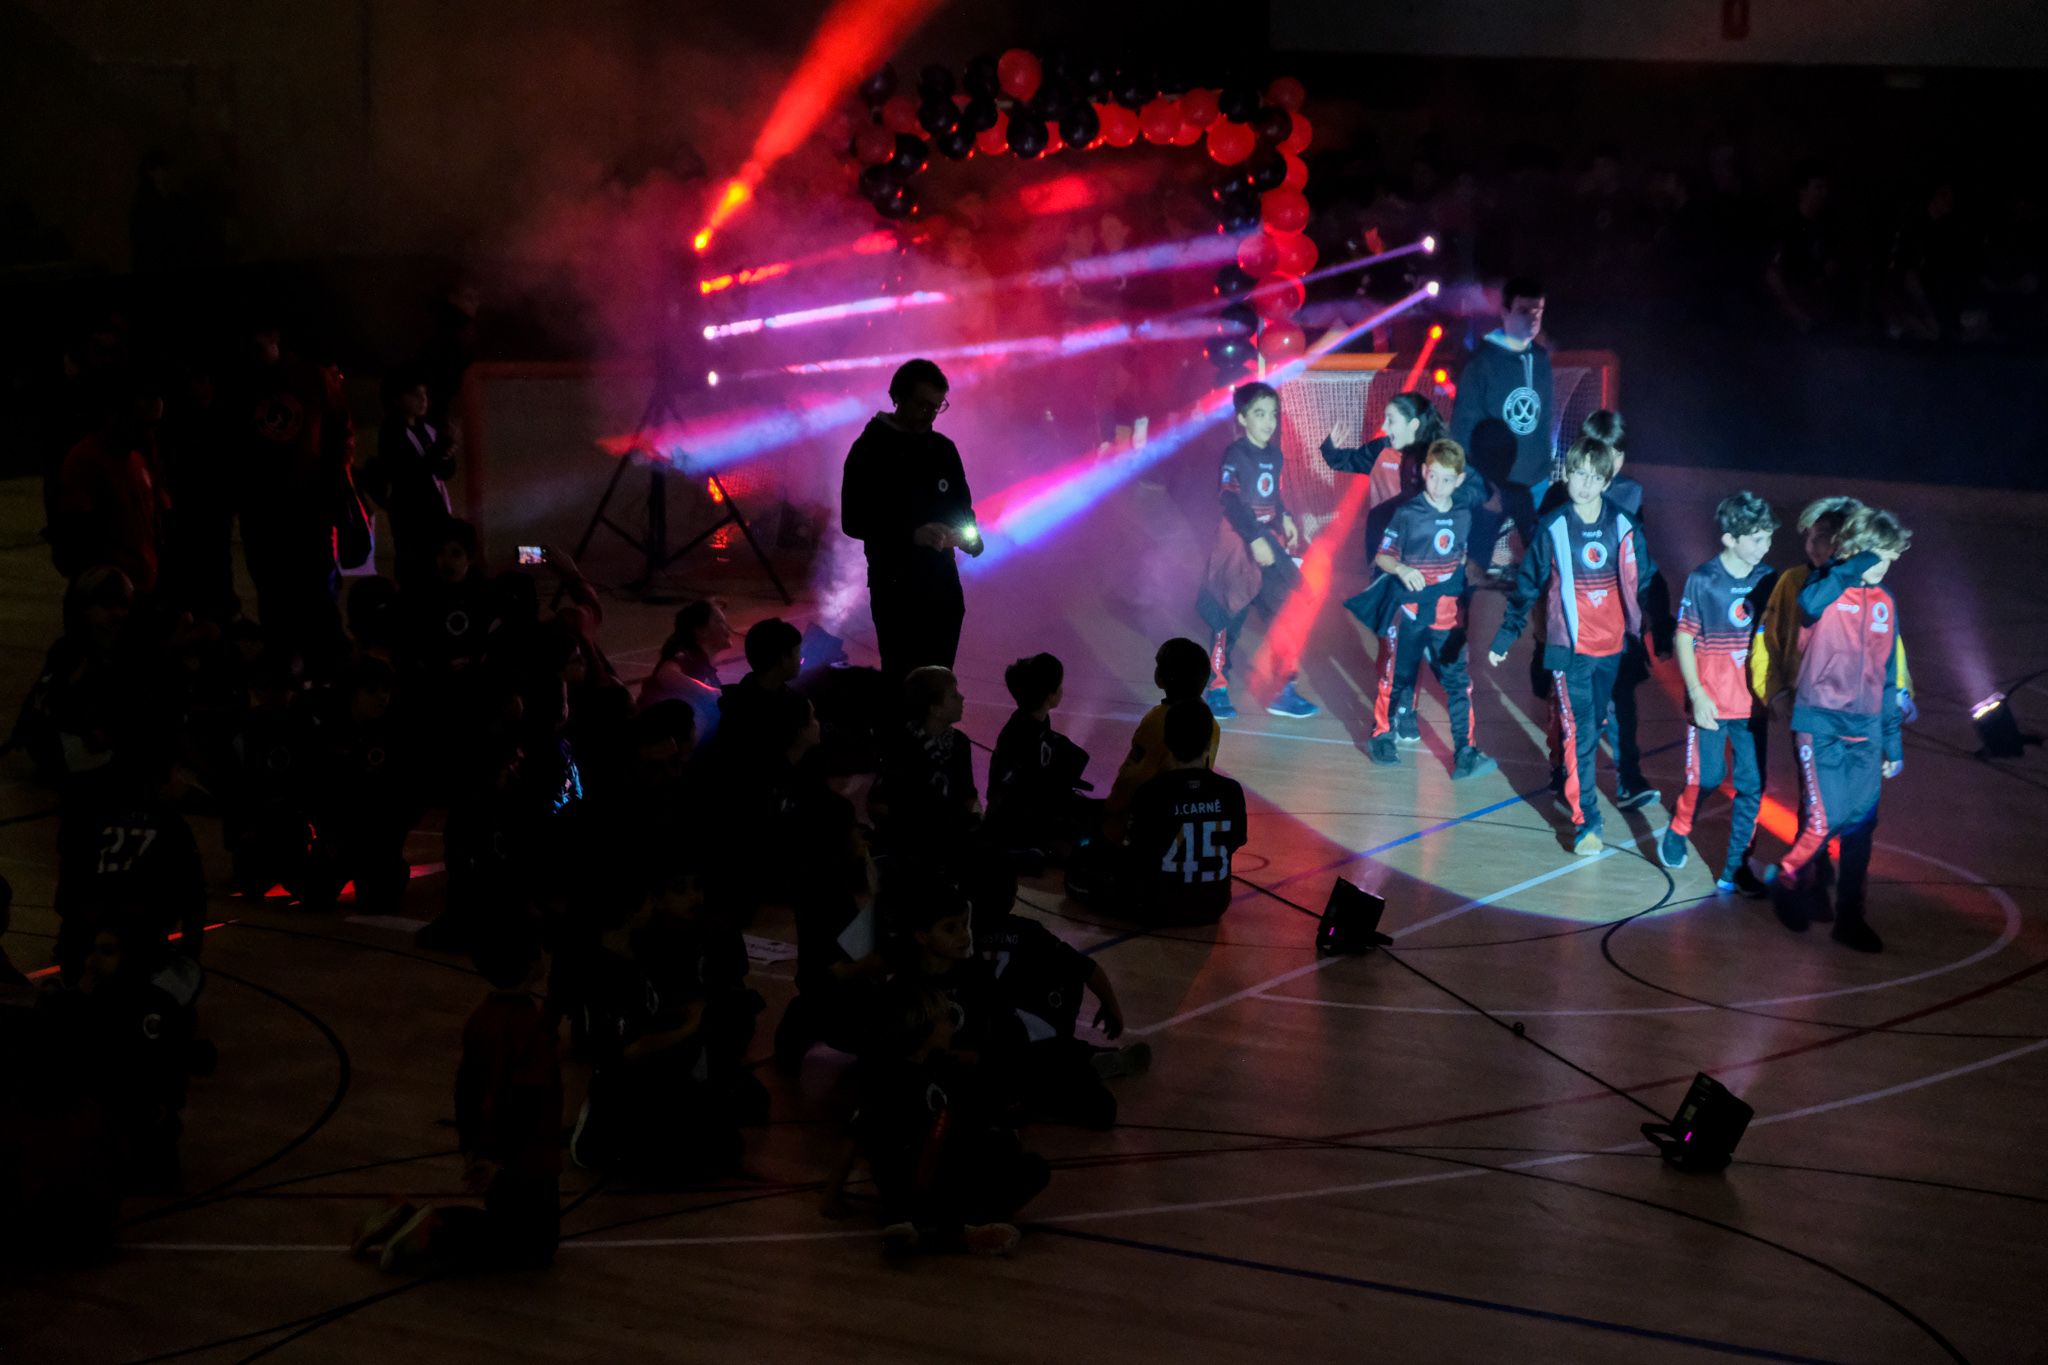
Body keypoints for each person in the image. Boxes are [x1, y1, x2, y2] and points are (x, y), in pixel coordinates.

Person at [1488, 436, 1658, 856]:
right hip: (1570, 651)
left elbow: (1647, 582)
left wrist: (1658, 631)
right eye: (1578, 473)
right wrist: (1506, 635)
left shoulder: (1624, 525)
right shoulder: (1553, 526)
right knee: (1582, 733)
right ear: (1568, 475)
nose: (1584, 483)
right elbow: (1527, 584)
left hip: (1613, 649)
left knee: (1593, 724)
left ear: (1606, 479)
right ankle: (1588, 825)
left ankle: (1564, 774)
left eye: (1593, 476)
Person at [358, 930, 563, 1272]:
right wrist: (499, 1157)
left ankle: (405, 1219)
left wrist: (471, 1146)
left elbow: (465, 1086)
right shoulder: (531, 1028)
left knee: (507, 1219)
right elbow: (527, 1099)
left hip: (491, 1143)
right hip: (526, 1153)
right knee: (534, 1246)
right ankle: (433, 1229)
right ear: (533, 965)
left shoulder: (482, 1016)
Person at [1769, 508, 1910, 952]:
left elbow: (1888, 677)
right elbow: (1808, 608)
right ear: (1855, 551)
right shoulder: (1823, 588)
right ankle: (1787, 879)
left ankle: (1850, 916)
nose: (1884, 567)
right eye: (1879, 556)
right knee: (1825, 818)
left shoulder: (1886, 603)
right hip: (1821, 723)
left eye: (1890, 559)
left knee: (1861, 825)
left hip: (1866, 728)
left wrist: (1892, 740)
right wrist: (1852, 565)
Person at [1354, 439, 1495, 778]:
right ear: (1423, 472)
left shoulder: (1463, 513)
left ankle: (1465, 752)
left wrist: (1468, 569)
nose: (1439, 485)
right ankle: (1382, 736)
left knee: (1459, 684)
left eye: (1448, 479)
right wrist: (1402, 569)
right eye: (1433, 476)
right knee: (1396, 678)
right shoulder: (1407, 513)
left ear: (1460, 481)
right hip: (1409, 613)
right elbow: (1384, 556)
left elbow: (1459, 554)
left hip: (1445, 616)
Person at [1658, 492, 1777, 895]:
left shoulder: (1769, 579)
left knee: (1752, 787)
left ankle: (1735, 868)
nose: (1765, 548)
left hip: (1753, 708)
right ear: (1729, 538)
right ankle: (1679, 826)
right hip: (1711, 703)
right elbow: (1685, 638)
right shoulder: (1704, 580)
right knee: (1707, 776)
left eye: (1767, 538)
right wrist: (1697, 692)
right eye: (1757, 540)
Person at [840, 359, 984, 677]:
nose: (929, 414)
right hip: (896, 588)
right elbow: (853, 519)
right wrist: (912, 534)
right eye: (921, 405)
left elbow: (963, 508)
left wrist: (968, 537)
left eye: (937, 406)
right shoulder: (870, 449)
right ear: (898, 397)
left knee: (938, 681)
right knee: (903, 680)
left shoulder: (943, 450)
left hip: (943, 589)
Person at [1195, 381, 1317, 720]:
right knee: (1227, 613)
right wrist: (1254, 539)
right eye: (1259, 414)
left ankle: (1285, 689)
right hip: (1238, 542)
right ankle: (1216, 686)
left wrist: (1286, 516)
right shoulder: (1235, 454)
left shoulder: (1274, 455)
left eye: (1273, 415)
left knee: (1287, 607)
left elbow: (1273, 497)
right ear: (1243, 419)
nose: (1268, 422)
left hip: (1266, 539)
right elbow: (1230, 499)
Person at [1452, 277, 1554, 575]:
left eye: (1539, 311)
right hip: (1493, 485)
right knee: (1477, 563)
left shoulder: (1541, 360)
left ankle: (1535, 619)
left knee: (1536, 565)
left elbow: (1544, 418)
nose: (1534, 318)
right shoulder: (1480, 364)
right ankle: (1463, 617)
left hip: (1535, 481)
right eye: (1525, 310)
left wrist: (1545, 469)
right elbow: (1463, 431)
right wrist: (1482, 484)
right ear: (1505, 312)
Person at [1120, 699, 1249, 925]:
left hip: (1160, 905)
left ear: (1167, 742)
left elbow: (1135, 851)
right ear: (1210, 743)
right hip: (1213, 905)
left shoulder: (1152, 792)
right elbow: (1236, 840)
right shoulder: (1230, 791)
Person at [1099, 637, 1219, 844]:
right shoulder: (1211, 724)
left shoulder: (1157, 720)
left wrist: (1109, 810)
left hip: (1147, 827)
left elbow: (1133, 778)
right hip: (1189, 826)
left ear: (1167, 677)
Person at [986, 652, 1094, 858]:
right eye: (1059, 684)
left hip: (1030, 819)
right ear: (1049, 694)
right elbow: (1014, 795)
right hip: (1019, 827)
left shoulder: (1036, 728)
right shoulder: (1021, 736)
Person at [363, 366, 457, 591]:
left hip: (436, 514)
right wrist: (440, 450)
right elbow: (410, 472)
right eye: (416, 394)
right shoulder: (392, 432)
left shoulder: (425, 429)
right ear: (396, 399)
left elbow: (443, 471)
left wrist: (446, 451)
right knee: (417, 577)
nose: (423, 400)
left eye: (425, 394)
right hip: (412, 519)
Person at [1321, 390, 1450, 544]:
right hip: (1384, 540)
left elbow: (1472, 490)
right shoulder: (1381, 449)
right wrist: (1330, 450)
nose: (1384, 427)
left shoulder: (1441, 454)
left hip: (1427, 542)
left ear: (1413, 424)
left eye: (1391, 421)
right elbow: (1345, 461)